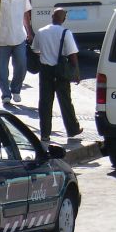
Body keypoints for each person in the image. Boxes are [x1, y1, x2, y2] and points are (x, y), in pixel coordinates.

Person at [31, 8, 84, 146]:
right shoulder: (66, 33)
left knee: (45, 103)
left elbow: (35, 49)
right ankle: (73, 129)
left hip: (45, 71)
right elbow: (72, 55)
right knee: (65, 100)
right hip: (60, 71)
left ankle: (45, 134)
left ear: (52, 17)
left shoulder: (41, 32)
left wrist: (45, 55)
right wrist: (76, 73)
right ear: (63, 19)